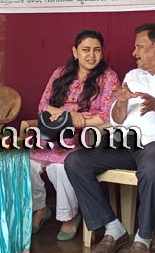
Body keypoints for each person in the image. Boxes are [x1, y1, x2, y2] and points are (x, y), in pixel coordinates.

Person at [65, 23, 155, 253]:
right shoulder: (133, 76)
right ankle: (113, 227)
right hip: (125, 142)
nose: (134, 52)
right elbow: (117, 119)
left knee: (152, 169)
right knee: (76, 161)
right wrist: (120, 103)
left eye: (139, 47)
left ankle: (143, 237)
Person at [30, 29, 119, 241]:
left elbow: (107, 115)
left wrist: (80, 120)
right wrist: (69, 115)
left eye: (97, 50)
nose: (91, 55)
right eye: (86, 50)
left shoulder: (108, 77)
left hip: (85, 137)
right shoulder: (60, 73)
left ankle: (69, 216)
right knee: (28, 162)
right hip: (54, 134)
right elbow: (43, 107)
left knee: (60, 168)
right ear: (75, 51)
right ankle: (40, 208)